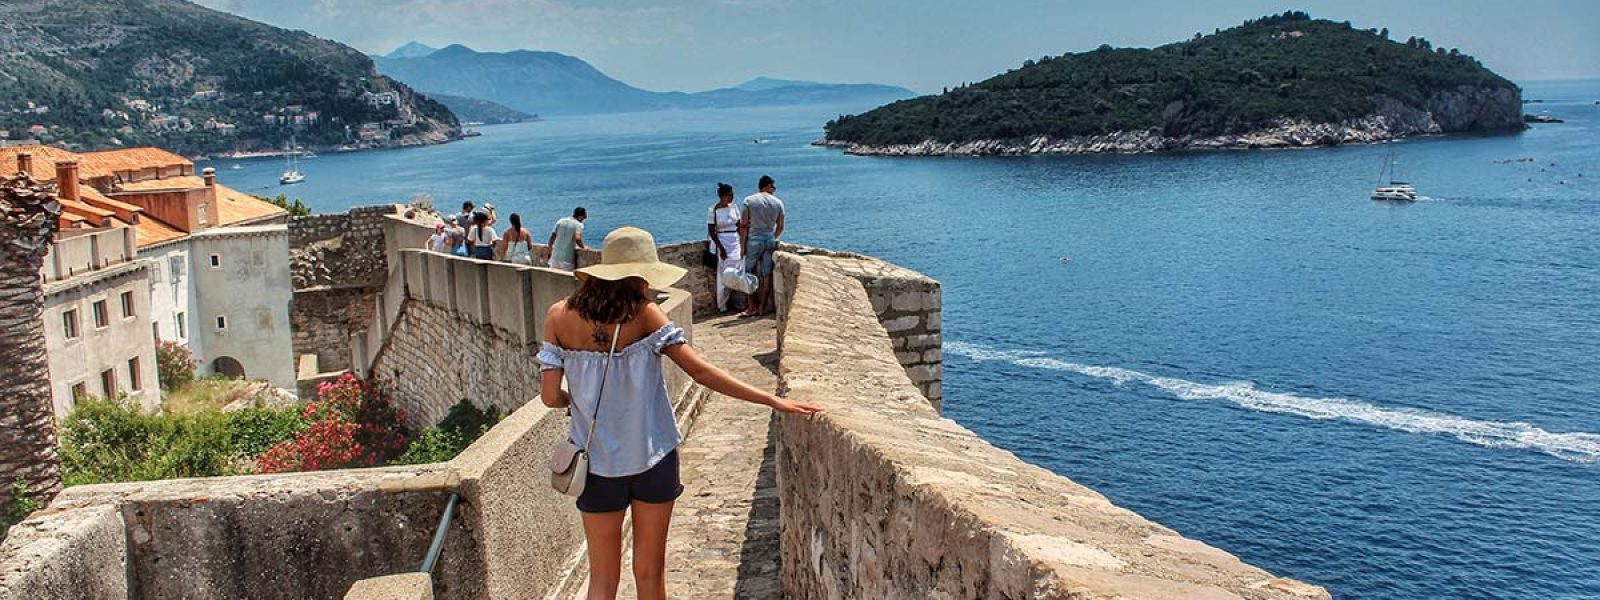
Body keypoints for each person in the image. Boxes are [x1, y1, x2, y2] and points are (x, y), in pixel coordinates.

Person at [537, 227, 821, 600]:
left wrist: (576, 403)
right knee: (650, 573)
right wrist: (772, 400)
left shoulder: (559, 316)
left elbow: (548, 397)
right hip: (652, 457)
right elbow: (701, 372)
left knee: (602, 580)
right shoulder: (645, 315)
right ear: (641, 275)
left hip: (597, 464)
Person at [738, 175, 784, 318]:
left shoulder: (749, 201)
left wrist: (742, 245)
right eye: (773, 187)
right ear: (767, 186)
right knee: (766, 275)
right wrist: (772, 237)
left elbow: (743, 225)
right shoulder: (778, 203)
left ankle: (751, 307)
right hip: (769, 239)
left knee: (749, 274)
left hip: (753, 240)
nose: (774, 190)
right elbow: (781, 226)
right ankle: (762, 308)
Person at [706, 183, 742, 312]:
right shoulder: (713, 210)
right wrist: (721, 248)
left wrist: (742, 242)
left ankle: (739, 302)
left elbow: (739, 225)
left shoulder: (734, 208)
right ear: (723, 196)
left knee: (738, 271)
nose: (732, 197)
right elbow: (711, 231)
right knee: (723, 273)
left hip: (735, 240)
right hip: (722, 240)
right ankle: (723, 303)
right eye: (730, 195)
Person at [547, 207, 587, 271]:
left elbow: (552, 237)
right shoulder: (579, 225)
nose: (585, 218)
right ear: (580, 216)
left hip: (555, 257)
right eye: (584, 216)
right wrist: (584, 247)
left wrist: (549, 250)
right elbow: (577, 238)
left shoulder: (561, 221)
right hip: (567, 259)